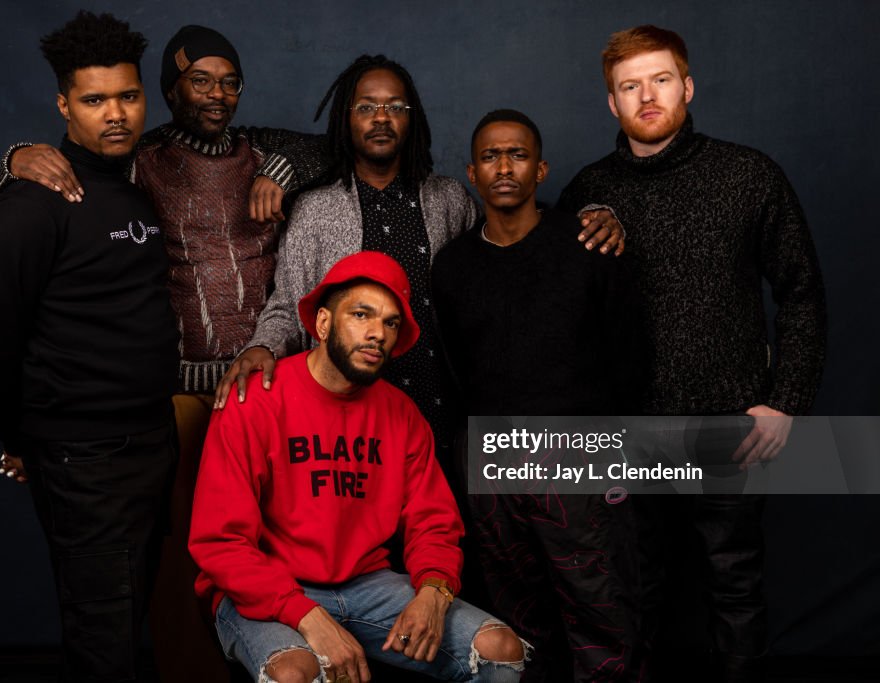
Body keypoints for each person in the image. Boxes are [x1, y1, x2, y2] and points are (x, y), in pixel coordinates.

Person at [0, 25, 331, 681]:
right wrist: (13, 157)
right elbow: (67, 166)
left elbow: (334, 146)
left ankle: (283, 668)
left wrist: (280, 173)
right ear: (171, 88)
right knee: (184, 552)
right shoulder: (139, 157)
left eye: (229, 80)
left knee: (277, 542)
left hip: (262, 385)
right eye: (200, 80)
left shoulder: (259, 150)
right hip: (176, 391)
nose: (217, 94)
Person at [557, 25, 827, 682]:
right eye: (629, 86)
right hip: (631, 430)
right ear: (611, 103)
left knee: (734, 588)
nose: (646, 96)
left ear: (688, 86)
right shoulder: (588, 191)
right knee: (634, 593)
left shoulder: (749, 174)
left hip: (731, 426)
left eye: (660, 79)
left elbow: (801, 292)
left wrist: (785, 402)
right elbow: (564, 316)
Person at [217, 55, 623, 472]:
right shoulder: (314, 210)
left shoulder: (448, 200)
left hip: (444, 413)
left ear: (412, 119)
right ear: (346, 118)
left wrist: (592, 215)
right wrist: (262, 346)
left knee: (444, 531)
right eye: (366, 107)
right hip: (350, 423)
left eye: (395, 107)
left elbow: (510, 241)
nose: (381, 118)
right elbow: (288, 303)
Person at [191, 251, 529, 683]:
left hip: (366, 584)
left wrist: (434, 589)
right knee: (296, 672)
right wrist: (306, 615)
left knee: (500, 650)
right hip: (267, 584)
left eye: (390, 323)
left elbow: (434, 521)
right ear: (325, 323)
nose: (377, 334)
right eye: (362, 315)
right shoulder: (255, 400)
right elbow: (221, 542)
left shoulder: (402, 414)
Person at [0, 12, 178, 681]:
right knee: (103, 638)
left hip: (150, 443)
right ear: (63, 105)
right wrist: (24, 438)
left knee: (132, 619)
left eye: (128, 96)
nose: (115, 114)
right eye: (94, 100)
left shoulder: (132, 182)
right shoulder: (33, 201)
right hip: (85, 462)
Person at [431, 109, 646, 682]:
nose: (505, 166)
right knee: (517, 618)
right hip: (493, 465)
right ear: (472, 174)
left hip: (579, 462)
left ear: (541, 169)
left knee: (600, 611)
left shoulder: (588, 250)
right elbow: (454, 371)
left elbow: (629, 360)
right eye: (491, 156)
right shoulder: (451, 267)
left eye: (518, 155)